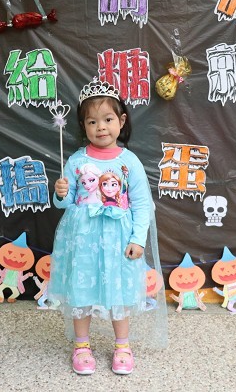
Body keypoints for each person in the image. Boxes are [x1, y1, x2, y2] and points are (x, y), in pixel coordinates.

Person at [49, 77, 166, 375]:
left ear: (121, 121)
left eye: (108, 119)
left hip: (118, 240)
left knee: (120, 292)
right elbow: (66, 203)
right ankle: (82, 346)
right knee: (81, 290)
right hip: (83, 240)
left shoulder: (130, 162)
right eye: (92, 122)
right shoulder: (76, 161)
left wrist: (137, 239)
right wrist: (60, 193)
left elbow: (141, 205)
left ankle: (122, 346)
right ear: (83, 126)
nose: (101, 127)